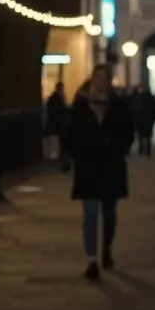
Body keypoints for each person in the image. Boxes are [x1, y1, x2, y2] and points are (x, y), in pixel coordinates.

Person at [63, 64, 135, 281]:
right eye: (98, 77)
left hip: (111, 166)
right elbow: (69, 133)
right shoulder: (81, 105)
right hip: (88, 166)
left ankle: (107, 248)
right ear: (92, 79)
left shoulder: (118, 105)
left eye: (105, 78)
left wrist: (116, 147)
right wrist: (79, 152)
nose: (101, 81)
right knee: (91, 213)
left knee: (109, 213)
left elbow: (128, 133)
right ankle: (92, 259)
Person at [44, 82, 69, 168]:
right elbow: (60, 112)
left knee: (56, 143)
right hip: (58, 124)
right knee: (58, 143)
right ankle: (57, 159)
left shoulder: (52, 98)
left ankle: (55, 158)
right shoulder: (58, 99)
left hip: (55, 124)